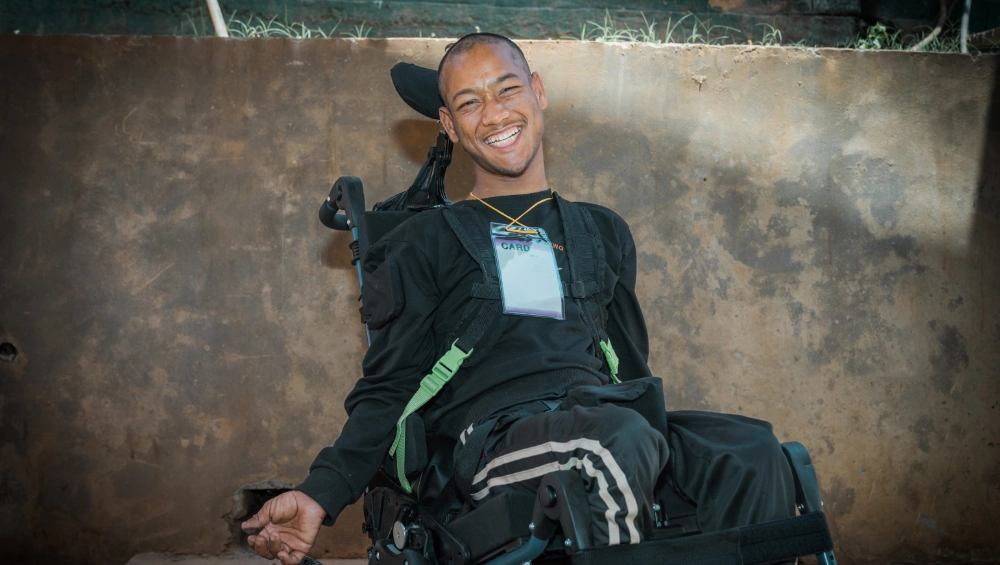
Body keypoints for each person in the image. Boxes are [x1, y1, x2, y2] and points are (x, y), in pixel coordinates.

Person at [243, 33, 796, 565]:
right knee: (611, 443)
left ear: (538, 91)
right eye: (469, 101)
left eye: (507, 90)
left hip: (601, 417)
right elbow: (388, 387)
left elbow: (627, 363)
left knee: (750, 450)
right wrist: (321, 492)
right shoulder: (424, 241)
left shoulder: (601, 231)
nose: (495, 113)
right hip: (491, 441)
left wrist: (657, 437)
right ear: (450, 125)